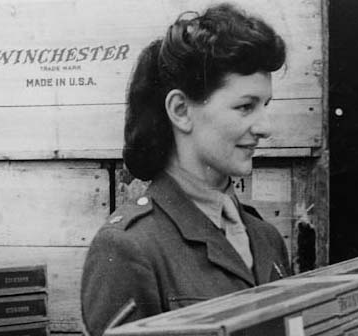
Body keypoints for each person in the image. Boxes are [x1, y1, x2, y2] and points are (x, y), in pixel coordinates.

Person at [80, 4, 290, 335]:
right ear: (181, 110)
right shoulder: (129, 248)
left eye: (266, 106)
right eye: (245, 106)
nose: (266, 127)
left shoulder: (267, 239)